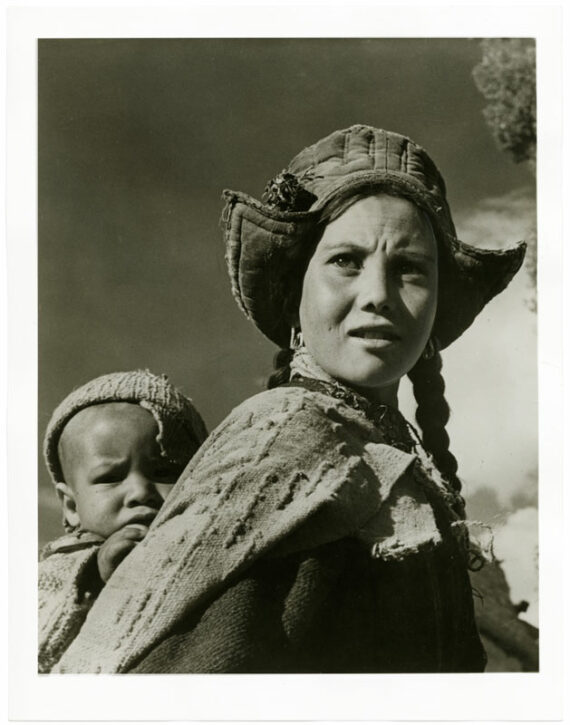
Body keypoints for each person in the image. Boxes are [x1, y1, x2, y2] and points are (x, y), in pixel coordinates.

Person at [55, 124, 526, 674]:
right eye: (346, 261)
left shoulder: (398, 457)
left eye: (410, 269)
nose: (377, 295)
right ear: (295, 291)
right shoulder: (280, 440)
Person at [38, 369, 208, 673]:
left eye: (164, 472)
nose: (140, 491)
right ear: (72, 505)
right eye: (111, 477)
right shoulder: (54, 571)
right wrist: (95, 578)